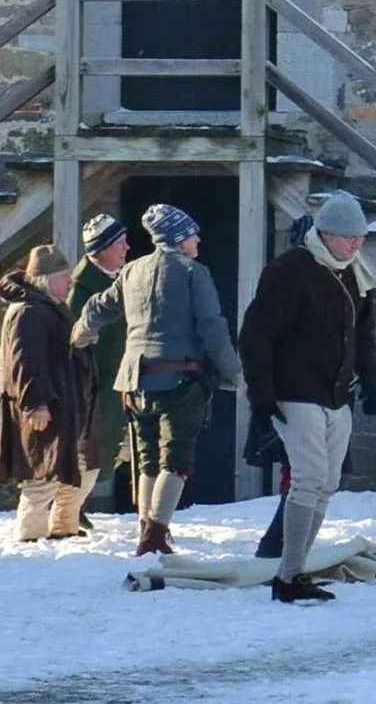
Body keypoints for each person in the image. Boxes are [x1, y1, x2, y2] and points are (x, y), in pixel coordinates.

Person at [72, 204, 244, 556]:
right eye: (192, 233)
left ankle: (146, 528)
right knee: (176, 460)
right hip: (179, 377)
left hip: (134, 382)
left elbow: (95, 307)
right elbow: (212, 328)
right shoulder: (193, 272)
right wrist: (235, 374)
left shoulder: (132, 270)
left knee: (147, 458)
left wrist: (80, 336)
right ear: (179, 238)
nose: (198, 239)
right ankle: (155, 535)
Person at [239, 193, 376, 603]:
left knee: (328, 483)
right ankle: (288, 575)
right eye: (347, 237)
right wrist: (262, 397)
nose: (355, 245)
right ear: (325, 234)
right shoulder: (291, 270)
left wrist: (372, 382)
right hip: (295, 390)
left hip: (337, 393)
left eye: (360, 237)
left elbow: (363, 335)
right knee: (308, 479)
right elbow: (256, 335)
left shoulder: (355, 273)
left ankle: (295, 568)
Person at [0, 247, 99, 542]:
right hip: (46, 404)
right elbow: (25, 361)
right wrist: (35, 404)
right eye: (65, 276)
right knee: (42, 472)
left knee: (79, 466)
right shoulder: (28, 311)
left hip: (68, 402)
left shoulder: (51, 306)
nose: (70, 281)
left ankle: (64, 527)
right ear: (46, 278)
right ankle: (30, 535)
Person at [70, 215, 130, 520]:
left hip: (119, 379)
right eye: (119, 243)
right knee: (94, 448)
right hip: (97, 384)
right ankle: (71, 508)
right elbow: (77, 344)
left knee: (118, 446)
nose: (126, 248)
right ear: (101, 248)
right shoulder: (81, 290)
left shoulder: (113, 279)